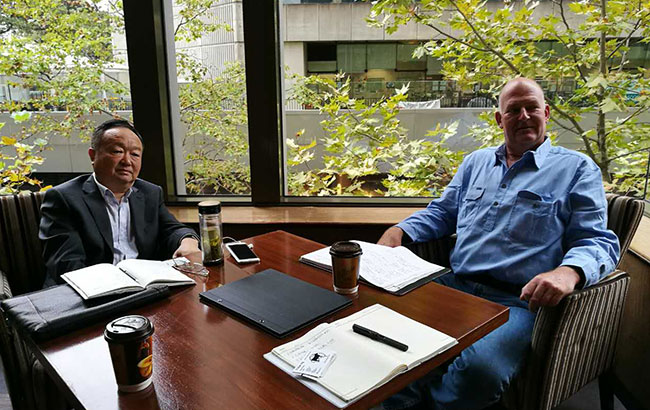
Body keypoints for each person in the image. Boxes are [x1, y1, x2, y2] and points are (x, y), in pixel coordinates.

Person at [377, 78, 620, 410]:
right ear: (499, 119)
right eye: (513, 110)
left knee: (479, 373)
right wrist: (400, 231)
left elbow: (597, 240)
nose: (524, 116)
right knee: (386, 335)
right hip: (454, 285)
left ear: (547, 113)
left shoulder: (577, 169)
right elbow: (443, 213)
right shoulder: (475, 163)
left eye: (532, 107)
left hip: (516, 302)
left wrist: (569, 272)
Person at [39, 119, 201, 287]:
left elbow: (172, 229)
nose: (127, 161)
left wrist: (188, 240)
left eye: (135, 154)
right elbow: (67, 265)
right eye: (117, 151)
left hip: (143, 287)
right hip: (88, 291)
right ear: (93, 156)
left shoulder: (149, 193)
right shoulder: (64, 198)